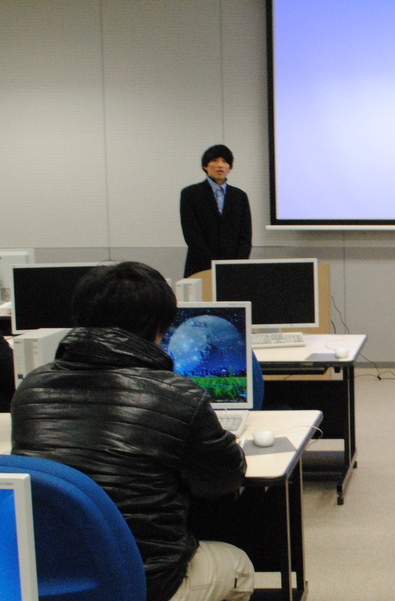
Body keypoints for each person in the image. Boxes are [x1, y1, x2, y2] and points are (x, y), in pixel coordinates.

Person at [10, 261, 254, 601]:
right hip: (145, 581)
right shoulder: (178, 395)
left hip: (51, 579)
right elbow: (224, 480)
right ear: (160, 328)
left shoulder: (32, 388)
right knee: (239, 565)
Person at [180, 144, 252, 278]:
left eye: (224, 161)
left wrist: (236, 264)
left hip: (233, 268)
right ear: (205, 166)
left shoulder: (240, 196)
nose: (220, 165)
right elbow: (192, 235)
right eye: (214, 160)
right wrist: (213, 265)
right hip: (200, 267)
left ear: (229, 167)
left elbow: (245, 237)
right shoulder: (190, 194)